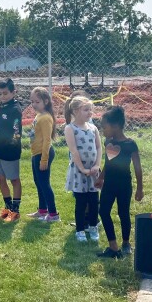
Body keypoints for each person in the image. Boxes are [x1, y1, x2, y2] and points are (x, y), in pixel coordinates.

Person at [95, 106, 143, 258]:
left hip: (124, 185)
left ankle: (126, 242)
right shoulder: (108, 141)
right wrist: (101, 177)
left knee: (123, 213)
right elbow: (109, 162)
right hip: (109, 184)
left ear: (115, 126)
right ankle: (113, 246)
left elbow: (137, 167)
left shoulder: (130, 144)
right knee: (103, 211)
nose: (103, 131)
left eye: (104, 127)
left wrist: (139, 188)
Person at [64, 95, 101, 243]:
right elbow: (73, 150)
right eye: (86, 110)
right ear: (75, 111)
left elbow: (99, 147)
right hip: (79, 172)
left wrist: (97, 165)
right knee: (81, 202)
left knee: (93, 201)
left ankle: (93, 227)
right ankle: (80, 230)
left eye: (90, 110)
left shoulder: (93, 128)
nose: (90, 113)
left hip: (93, 172)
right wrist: (82, 168)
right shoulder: (70, 128)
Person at [0, 78, 23, 221]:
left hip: (9, 150)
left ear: (13, 92)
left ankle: (15, 211)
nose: (2, 96)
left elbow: (16, 131)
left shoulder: (15, 109)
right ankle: (7, 208)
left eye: (5, 93)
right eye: (0, 94)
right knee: (0, 178)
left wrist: (12, 145)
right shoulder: (1, 106)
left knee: (14, 179)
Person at [27, 87, 59, 221]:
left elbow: (47, 140)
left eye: (37, 102)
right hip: (36, 153)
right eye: (32, 101)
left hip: (42, 154)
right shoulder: (39, 115)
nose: (34, 104)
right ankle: (42, 210)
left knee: (44, 183)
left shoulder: (46, 118)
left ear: (46, 101)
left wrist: (44, 160)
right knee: (38, 182)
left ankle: (53, 214)